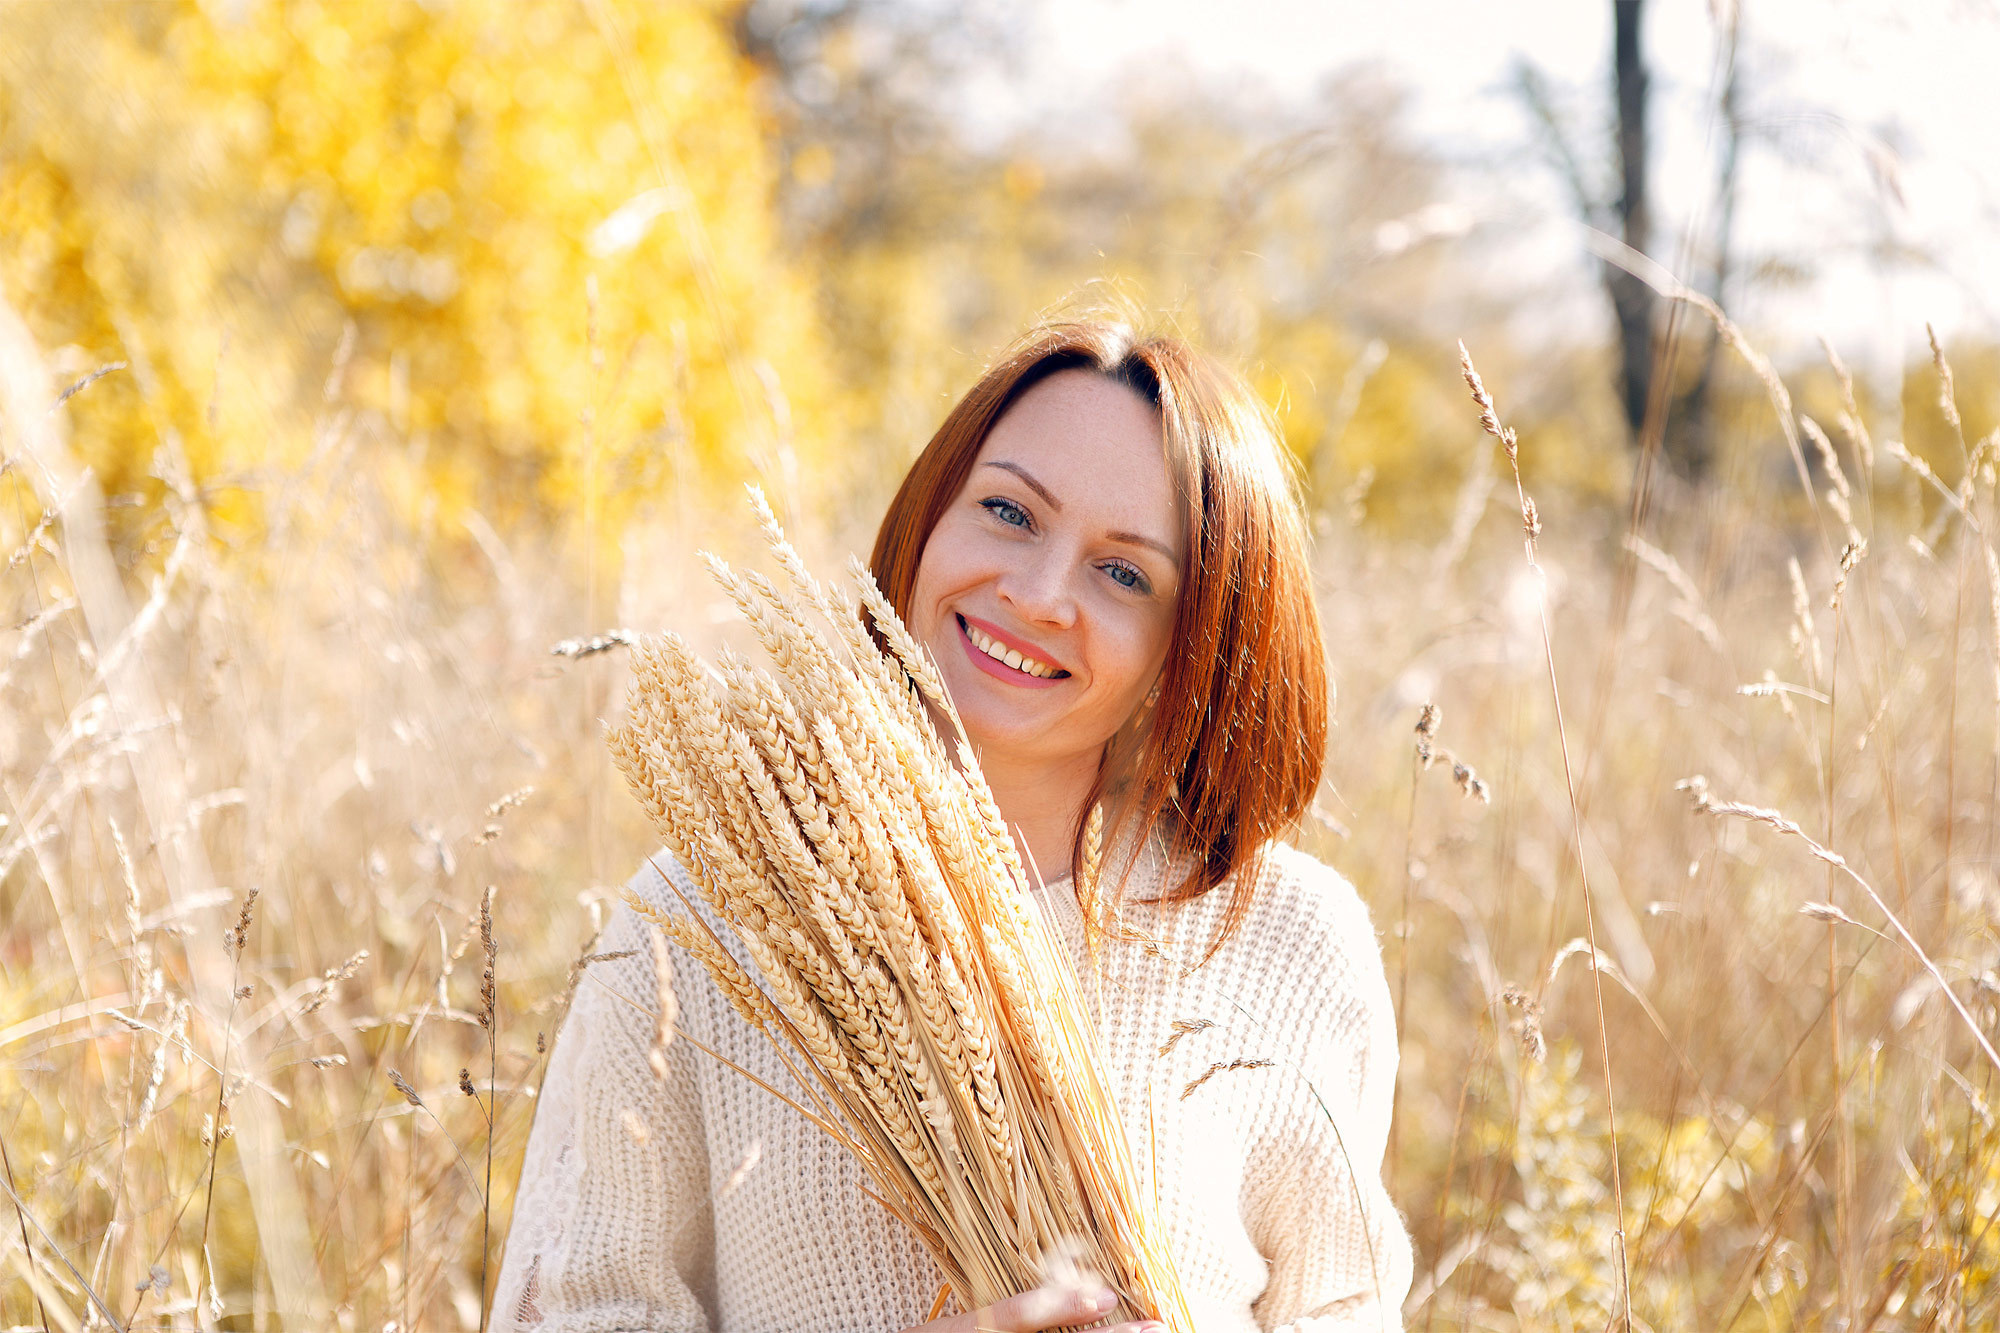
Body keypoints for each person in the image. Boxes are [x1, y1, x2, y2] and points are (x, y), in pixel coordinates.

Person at [494, 320, 1414, 1333]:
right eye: (1009, 511)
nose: (1036, 592)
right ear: (929, 516)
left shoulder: (1289, 938)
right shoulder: (697, 918)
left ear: (1188, 645)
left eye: (1124, 574)